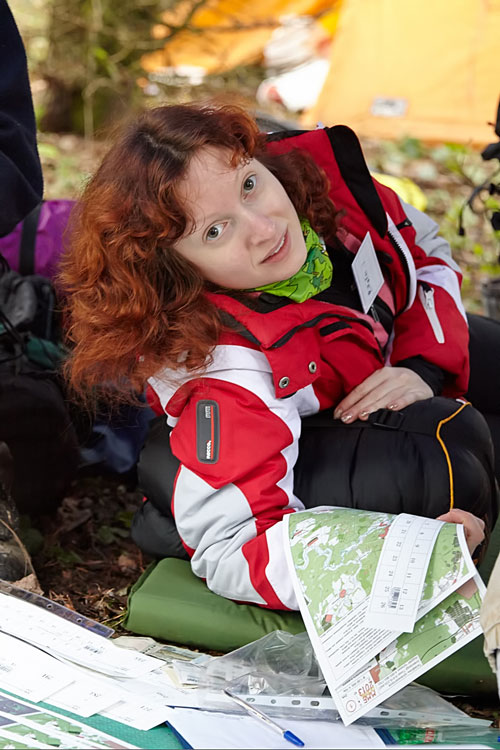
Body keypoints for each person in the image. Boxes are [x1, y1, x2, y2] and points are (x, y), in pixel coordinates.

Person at [60, 101, 494, 610]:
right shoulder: (221, 364)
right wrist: (409, 559)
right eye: (215, 231)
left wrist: (424, 365)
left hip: (382, 363)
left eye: (248, 184)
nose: (264, 228)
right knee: (445, 460)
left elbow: (425, 248)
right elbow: (233, 550)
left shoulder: (326, 187)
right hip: (273, 455)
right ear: (176, 268)